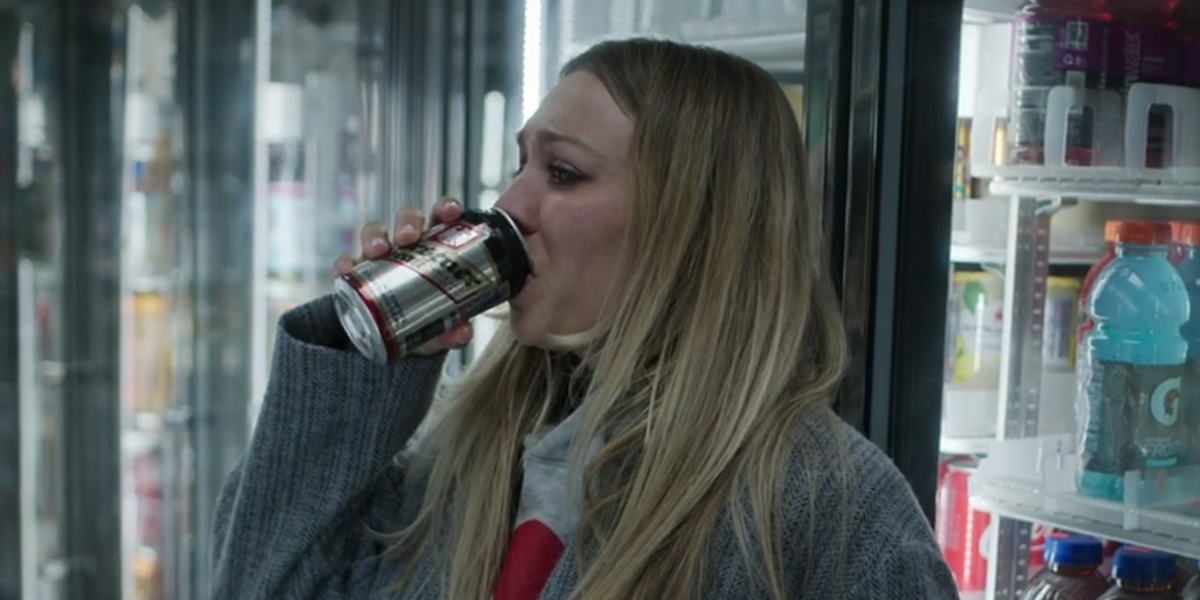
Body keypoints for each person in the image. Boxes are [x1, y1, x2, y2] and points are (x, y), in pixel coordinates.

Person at [210, 37, 959, 599]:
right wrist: (362, 368)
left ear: (691, 224)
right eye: (521, 163)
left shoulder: (823, 501)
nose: (509, 205)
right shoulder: (470, 457)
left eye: (562, 172)